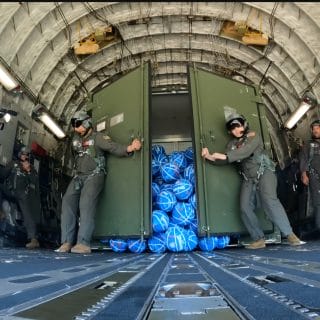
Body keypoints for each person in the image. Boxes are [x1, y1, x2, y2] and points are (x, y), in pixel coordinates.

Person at [201, 107, 305, 249]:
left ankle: (290, 234)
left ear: (244, 125)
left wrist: (225, 156)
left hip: (264, 173)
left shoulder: (253, 136)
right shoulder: (231, 145)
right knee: (244, 207)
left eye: (237, 126)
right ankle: (259, 238)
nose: (235, 130)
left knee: (270, 201)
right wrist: (208, 156)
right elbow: (224, 160)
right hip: (248, 179)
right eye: (232, 128)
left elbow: (245, 151)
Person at [56, 110, 142, 254]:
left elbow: (113, 147)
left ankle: (83, 243)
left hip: (95, 175)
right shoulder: (75, 140)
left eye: (78, 124)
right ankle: (66, 242)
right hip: (79, 176)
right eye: (74, 125)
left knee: (86, 203)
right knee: (67, 200)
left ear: (87, 123)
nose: (76, 128)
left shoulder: (99, 137)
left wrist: (130, 148)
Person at [0, 146, 40, 249]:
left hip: (22, 193)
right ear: (19, 154)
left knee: (28, 212)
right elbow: (2, 175)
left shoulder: (31, 167)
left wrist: (28, 171)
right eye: (23, 154)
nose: (24, 156)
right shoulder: (13, 164)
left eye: (27, 154)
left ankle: (33, 239)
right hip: (10, 191)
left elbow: (35, 181)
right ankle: (1, 212)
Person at [299, 119, 320, 232]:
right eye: (314, 128)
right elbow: (303, 159)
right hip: (314, 176)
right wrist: (304, 174)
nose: (316, 130)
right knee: (317, 202)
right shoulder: (308, 145)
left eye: (318, 128)